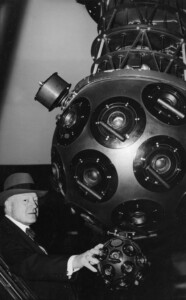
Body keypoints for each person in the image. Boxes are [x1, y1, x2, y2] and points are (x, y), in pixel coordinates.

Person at [0, 173, 103, 300]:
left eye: (35, 200)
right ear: (8, 205)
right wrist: (76, 261)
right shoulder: (4, 232)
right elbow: (27, 264)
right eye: (25, 200)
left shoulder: (26, 232)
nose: (34, 205)